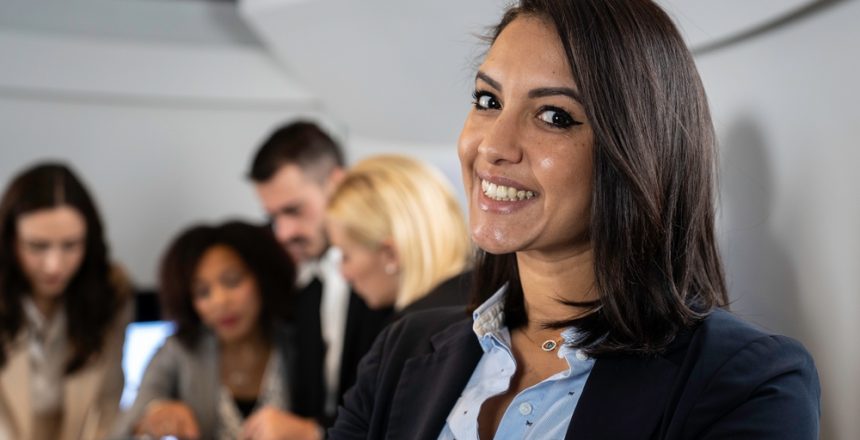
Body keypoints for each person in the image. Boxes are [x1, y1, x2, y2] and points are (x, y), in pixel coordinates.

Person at [329, 1, 821, 439]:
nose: (493, 146)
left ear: (636, 151)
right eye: (488, 101)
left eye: (554, 116)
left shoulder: (747, 384)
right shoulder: (401, 352)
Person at [113, 221, 321, 440]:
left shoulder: (300, 338)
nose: (220, 301)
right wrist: (156, 414)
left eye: (232, 282)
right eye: (203, 292)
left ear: (262, 277)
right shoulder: (179, 349)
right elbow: (124, 427)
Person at [248, 121, 392, 430]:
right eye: (273, 217)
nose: (283, 233)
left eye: (293, 210)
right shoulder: (289, 274)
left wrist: (313, 433)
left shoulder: (386, 270)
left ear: (337, 184)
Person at [0, 162, 132, 440]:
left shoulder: (112, 292)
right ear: (11, 242)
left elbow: (107, 403)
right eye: (38, 246)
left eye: (70, 245)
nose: (54, 266)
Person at [326, 154, 472, 316]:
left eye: (346, 256)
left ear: (391, 254)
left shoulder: (415, 327)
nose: (344, 274)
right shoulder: (480, 306)